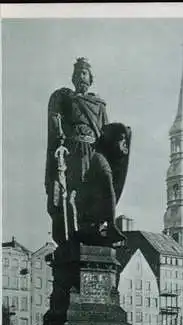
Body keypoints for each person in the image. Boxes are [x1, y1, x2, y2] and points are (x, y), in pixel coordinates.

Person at [45, 57, 130, 246]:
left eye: (84, 73)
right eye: (77, 74)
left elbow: (106, 131)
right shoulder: (66, 99)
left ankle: (108, 224)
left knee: (107, 176)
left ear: (90, 79)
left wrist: (121, 141)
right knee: (77, 192)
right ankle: (76, 231)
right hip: (74, 150)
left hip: (94, 149)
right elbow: (57, 123)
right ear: (73, 78)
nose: (80, 77)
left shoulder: (99, 105)